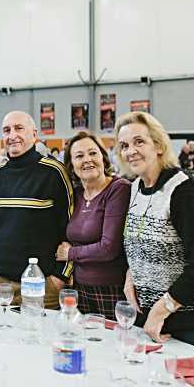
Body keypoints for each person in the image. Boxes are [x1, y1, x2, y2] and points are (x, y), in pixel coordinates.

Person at [116, 111, 194, 354]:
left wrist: (161, 309)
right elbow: (139, 243)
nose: (130, 151)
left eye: (139, 141)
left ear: (158, 145)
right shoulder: (136, 187)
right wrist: (130, 276)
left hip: (192, 325)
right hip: (153, 321)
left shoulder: (184, 191)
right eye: (124, 145)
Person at [0, 111, 74, 309]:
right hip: (0, 286)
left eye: (19, 128)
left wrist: (60, 276)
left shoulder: (53, 172)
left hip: (41, 285)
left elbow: (72, 228)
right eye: (6, 130)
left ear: (34, 134)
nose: (12, 135)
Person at [56, 132, 130, 320]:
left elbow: (108, 248)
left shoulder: (118, 188)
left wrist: (71, 253)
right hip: (79, 289)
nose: (87, 160)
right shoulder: (76, 195)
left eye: (93, 153)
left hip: (112, 291)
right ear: (72, 166)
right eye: (79, 156)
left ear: (103, 158)